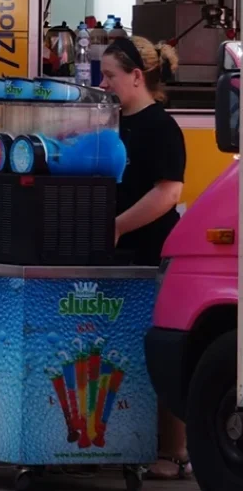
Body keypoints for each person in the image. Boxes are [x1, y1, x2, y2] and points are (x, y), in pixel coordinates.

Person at [98, 36, 188, 481]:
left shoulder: (160, 127)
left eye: (110, 76)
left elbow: (168, 192)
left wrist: (117, 225)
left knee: (161, 350)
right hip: (116, 256)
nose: (103, 83)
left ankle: (173, 451)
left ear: (137, 76)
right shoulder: (110, 124)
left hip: (154, 253)